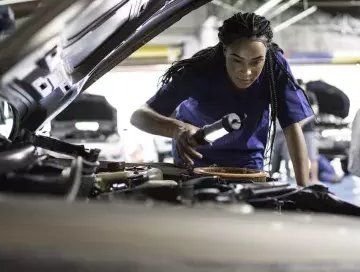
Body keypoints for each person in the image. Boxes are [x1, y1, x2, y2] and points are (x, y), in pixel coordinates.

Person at [130, 12, 315, 186]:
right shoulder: (200, 69)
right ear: (225, 50)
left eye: (256, 61)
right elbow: (139, 117)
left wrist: (303, 190)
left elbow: (291, 127)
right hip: (195, 164)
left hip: (247, 167)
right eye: (237, 60)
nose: (247, 71)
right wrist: (178, 129)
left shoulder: (275, 65)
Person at [297, 79, 321, 184]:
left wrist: (302, 122)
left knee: (312, 156)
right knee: (302, 156)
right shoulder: (295, 96)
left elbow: (314, 112)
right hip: (299, 132)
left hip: (309, 131)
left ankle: (314, 179)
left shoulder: (310, 95)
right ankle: (305, 179)